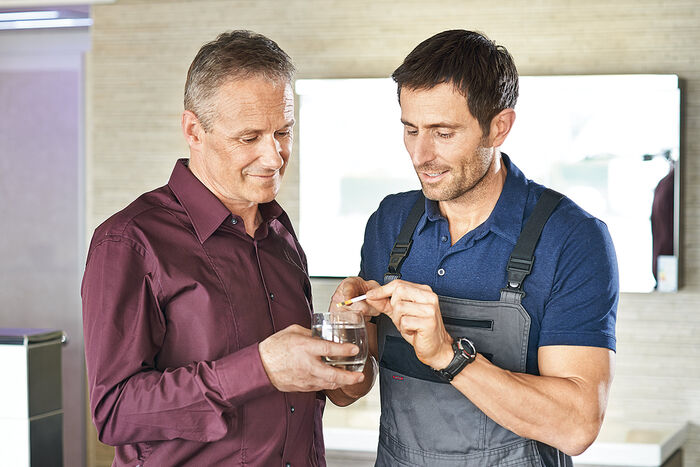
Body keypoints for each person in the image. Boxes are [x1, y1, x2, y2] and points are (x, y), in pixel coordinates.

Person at [333, 30, 619, 466]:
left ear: (498, 127)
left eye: (443, 133)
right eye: (410, 130)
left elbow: (577, 425)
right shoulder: (389, 224)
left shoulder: (572, 238)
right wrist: (347, 330)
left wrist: (448, 355)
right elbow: (348, 392)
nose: (420, 154)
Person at [81, 30, 366, 467]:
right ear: (194, 130)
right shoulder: (129, 242)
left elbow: (316, 398)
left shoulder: (280, 233)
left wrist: (342, 345)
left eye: (283, 132)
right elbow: (115, 412)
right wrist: (260, 367)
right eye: (249, 138)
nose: (274, 157)